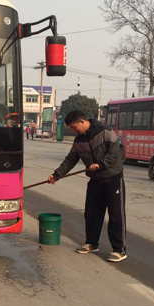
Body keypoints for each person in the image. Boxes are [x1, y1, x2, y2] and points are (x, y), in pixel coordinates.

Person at [47, 110, 127, 263]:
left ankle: (119, 250)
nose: (73, 130)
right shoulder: (79, 141)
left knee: (116, 215)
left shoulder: (105, 131)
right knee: (92, 214)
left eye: (74, 127)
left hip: (113, 178)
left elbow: (115, 152)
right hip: (95, 180)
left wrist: (101, 164)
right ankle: (91, 243)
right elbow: (70, 160)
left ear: (82, 122)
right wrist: (56, 175)